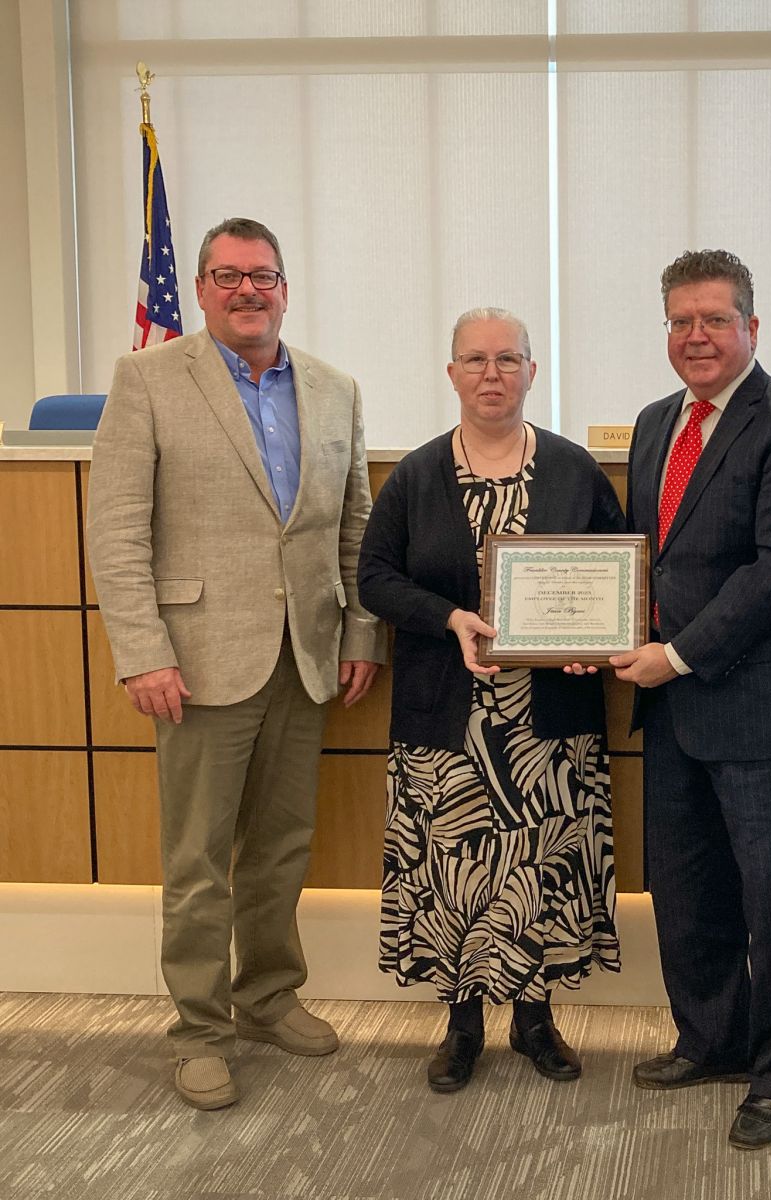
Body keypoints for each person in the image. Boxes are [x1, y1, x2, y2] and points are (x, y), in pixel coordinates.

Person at [87, 217, 385, 1111]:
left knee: (282, 847)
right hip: (197, 661)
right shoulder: (147, 379)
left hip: (307, 657)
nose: (246, 290)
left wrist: (360, 634)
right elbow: (117, 529)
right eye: (227, 276)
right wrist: (142, 651)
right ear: (205, 289)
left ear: (286, 287)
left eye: (262, 275)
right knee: (197, 856)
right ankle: (200, 1029)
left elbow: (354, 524)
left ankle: (265, 997)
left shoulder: (334, 389)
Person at [356, 307, 622, 1094]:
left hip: (549, 726)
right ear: (452, 375)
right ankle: (462, 1023)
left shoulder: (577, 471)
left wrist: (593, 644)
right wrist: (446, 617)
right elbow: (374, 578)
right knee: (453, 870)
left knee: (540, 868)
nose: (492, 373)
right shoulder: (415, 474)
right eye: (475, 360)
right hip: (447, 718)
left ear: (533, 372)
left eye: (509, 359)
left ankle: (536, 1020)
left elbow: (619, 577)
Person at [612, 250, 771, 1150]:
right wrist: (611, 637)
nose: (696, 336)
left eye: (714, 319)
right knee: (685, 886)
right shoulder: (652, 421)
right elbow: (648, 556)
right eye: (680, 320)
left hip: (764, 710)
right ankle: (711, 1039)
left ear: (753, 326)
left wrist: (675, 654)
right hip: (672, 707)